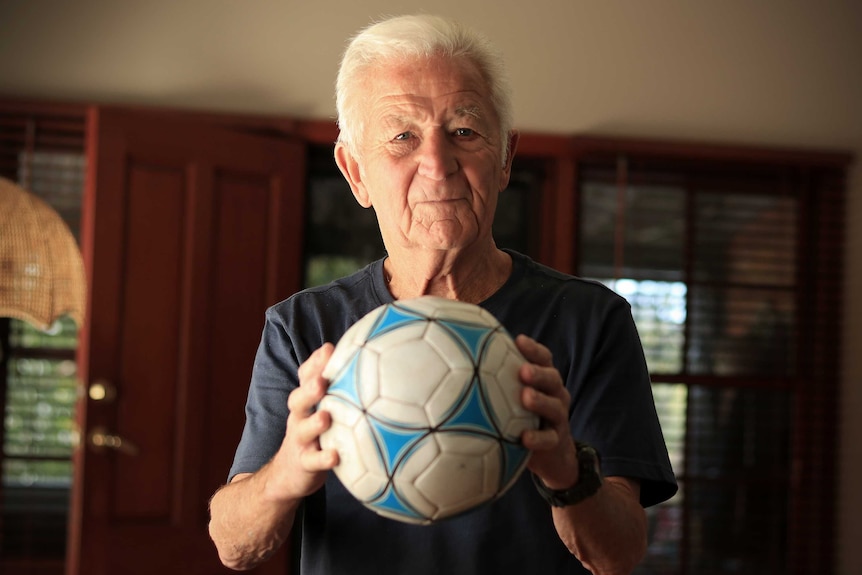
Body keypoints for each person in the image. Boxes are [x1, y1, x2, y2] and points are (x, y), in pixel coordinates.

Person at [208, 14, 677, 575]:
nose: (437, 163)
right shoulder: (303, 328)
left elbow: (620, 553)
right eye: (402, 136)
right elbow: (233, 546)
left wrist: (565, 471)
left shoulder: (590, 320)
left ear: (504, 158)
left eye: (464, 132)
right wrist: (287, 469)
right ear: (354, 171)